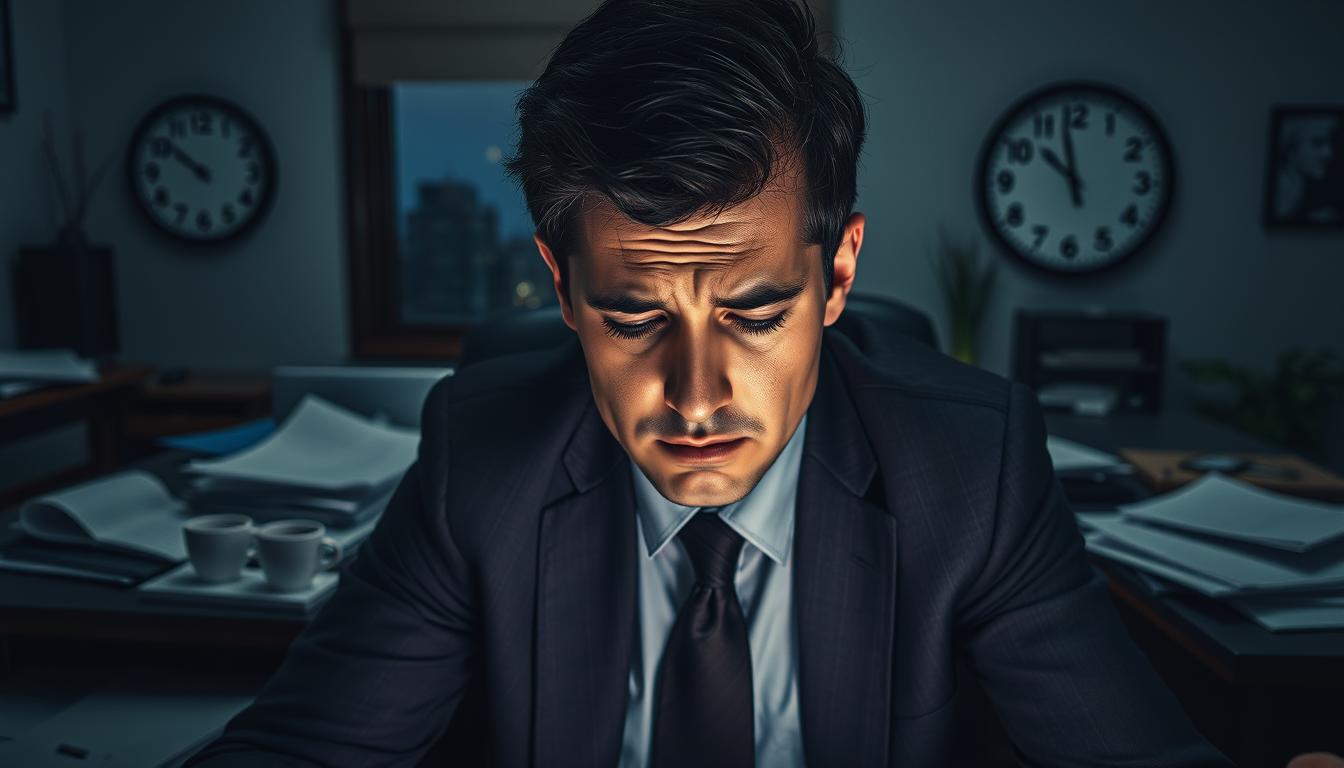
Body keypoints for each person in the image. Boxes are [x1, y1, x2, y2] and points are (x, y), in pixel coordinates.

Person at [185, 0, 1232, 765]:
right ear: (561, 287)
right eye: (635, 316)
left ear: (840, 273)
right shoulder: (480, 460)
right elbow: (303, 750)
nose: (695, 397)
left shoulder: (973, 472)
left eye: (756, 312)